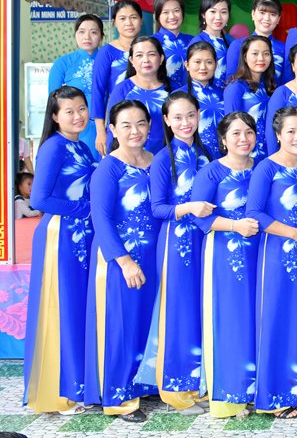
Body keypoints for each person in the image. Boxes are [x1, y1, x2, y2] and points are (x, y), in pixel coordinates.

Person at [247, 107, 297, 419]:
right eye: (290, 131)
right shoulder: (266, 168)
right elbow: (254, 213)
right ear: (278, 134)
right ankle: (272, 397)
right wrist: (295, 233)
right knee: (276, 318)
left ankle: (296, 390)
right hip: (278, 253)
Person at [84, 100, 159, 422]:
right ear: (112, 130)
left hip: (154, 256)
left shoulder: (156, 160)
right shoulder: (108, 168)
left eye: (140, 123)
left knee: (146, 321)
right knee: (121, 326)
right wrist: (125, 261)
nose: (134, 131)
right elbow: (101, 219)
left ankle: (144, 383)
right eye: (126, 125)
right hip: (120, 259)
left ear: (150, 126)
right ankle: (119, 397)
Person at [23, 87, 96, 415]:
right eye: (69, 111)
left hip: (82, 237)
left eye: (82, 108)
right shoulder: (53, 147)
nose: (78, 116)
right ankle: (58, 392)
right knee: (62, 309)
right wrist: (85, 209)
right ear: (55, 116)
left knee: (77, 309)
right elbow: (39, 199)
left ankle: (79, 384)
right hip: (60, 236)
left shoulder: (80, 146)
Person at [139, 92, 212, 415]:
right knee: (177, 313)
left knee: (197, 311)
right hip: (176, 242)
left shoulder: (205, 154)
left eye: (190, 115)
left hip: (204, 241)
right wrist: (188, 208)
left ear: (199, 116)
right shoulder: (162, 159)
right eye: (178, 117)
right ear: (166, 121)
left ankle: (196, 384)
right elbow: (157, 208)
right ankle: (175, 391)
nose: (186, 123)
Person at [190, 112, 261, 418]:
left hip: (259, 254)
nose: (243, 139)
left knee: (254, 318)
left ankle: (256, 389)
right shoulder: (211, 172)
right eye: (235, 133)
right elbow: (200, 217)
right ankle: (230, 395)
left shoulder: (261, 167)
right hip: (224, 254)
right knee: (230, 320)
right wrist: (235, 226)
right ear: (223, 139)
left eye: (249, 132)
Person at [49, 13, 103, 158]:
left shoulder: (109, 61)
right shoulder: (62, 63)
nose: (87, 37)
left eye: (93, 32)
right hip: (75, 126)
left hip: (108, 125)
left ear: (101, 36)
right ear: (75, 35)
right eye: (81, 32)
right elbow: (53, 101)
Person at [93, 0, 142, 156]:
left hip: (145, 121)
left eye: (133, 17)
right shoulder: (106, 52)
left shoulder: (149, 48)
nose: (128, 23)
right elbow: (98, 91)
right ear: (114, 22)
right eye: (122, 18)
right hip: (119, 121)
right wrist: (101, 131)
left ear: (141, 20)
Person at [106, 36, 170, 154]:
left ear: (161, 58)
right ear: (131, 60)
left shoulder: (172, 89)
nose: (146, 60)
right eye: (139, 55)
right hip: (131, 156)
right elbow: (112, 127)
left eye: (151, 54)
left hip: (165, 155)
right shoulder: (122, 90)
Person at [224, 35, 275, 163]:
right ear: (245, 57)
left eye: (266, 53)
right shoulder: (235, 87)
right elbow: (230, 126)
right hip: (246, 153)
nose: (261, 58)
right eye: (255, 54)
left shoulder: (268, 86)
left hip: (269, 151)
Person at [226, 0, 289, 85]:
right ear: (253, 14)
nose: (267, 18)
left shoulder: (285, 49)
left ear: (278, 19)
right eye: (262, 13)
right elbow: (230, 80)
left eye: (272, 14)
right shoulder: (237, 45)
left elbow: (288, 84)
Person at [178, 41, 225, 160]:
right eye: (197, 62)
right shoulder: (178, 97)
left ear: (216, 65)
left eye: (209, 62)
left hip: (223, 158)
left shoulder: (223, 94)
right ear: (187, 65)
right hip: (192, 157)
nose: (203, 67)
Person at [188, 0, 232, 85]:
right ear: (203, 14)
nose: (218, 17)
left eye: (223, 12)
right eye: (213, 11)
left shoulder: (230, 42)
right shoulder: (197, 42)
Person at [152, 0, 193, 91]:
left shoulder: (192, 40)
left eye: (176, 11)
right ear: (158, 16)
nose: (172, 16)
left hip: (191, 97)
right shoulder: (151, 43)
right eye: (165, 12)